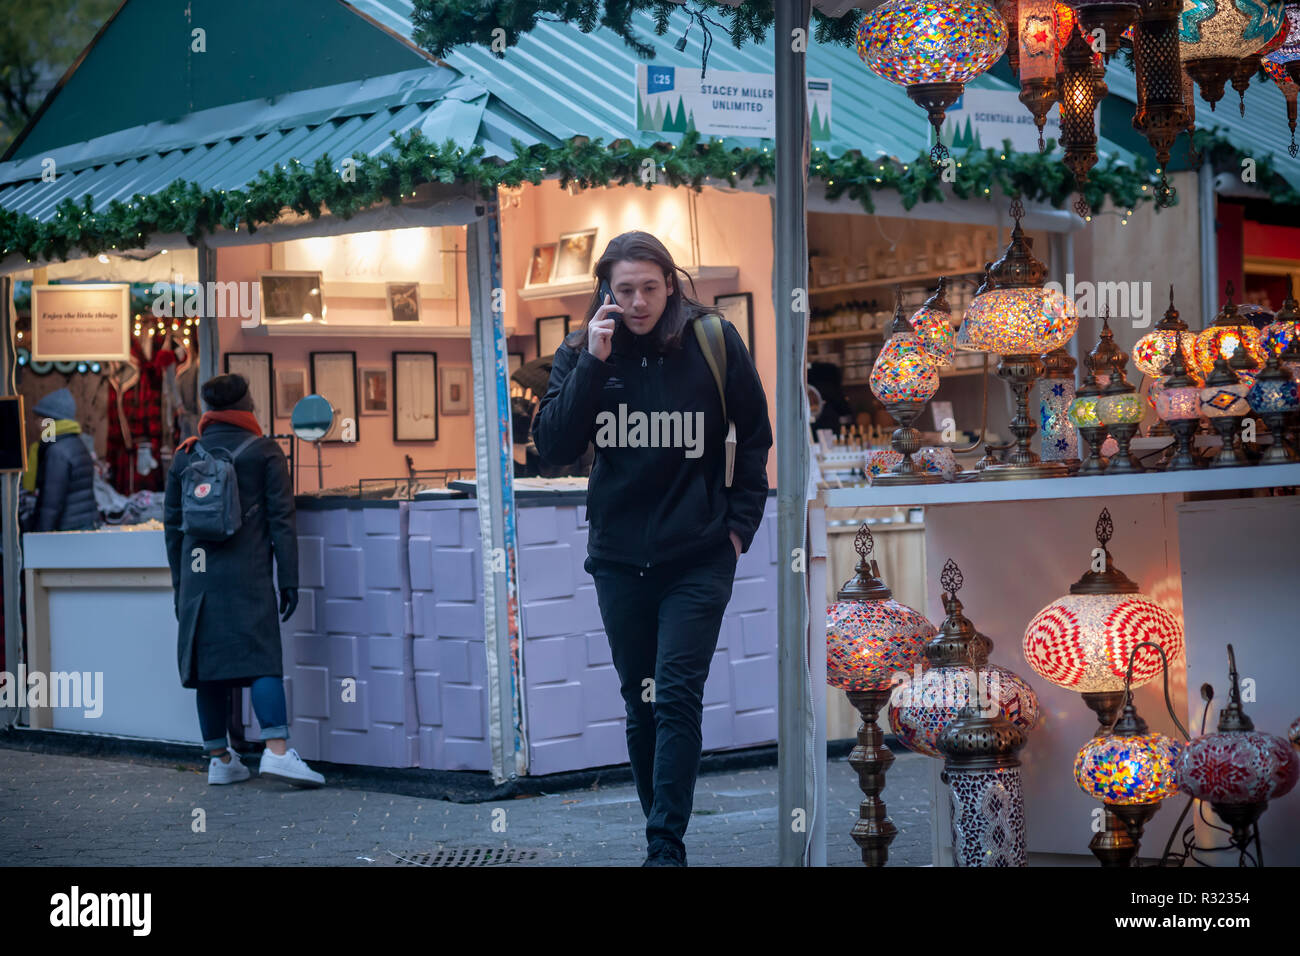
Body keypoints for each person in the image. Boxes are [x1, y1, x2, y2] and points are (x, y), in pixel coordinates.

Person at [533, 231, 773, 867]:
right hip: (619, 561)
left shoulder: (713, 341)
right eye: (624, 289)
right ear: (606, 292)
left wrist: (738, 527)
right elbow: (553, 446)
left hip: (698, 556)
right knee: (640, 703)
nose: (637, 302)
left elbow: (755, 435)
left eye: (649, 287)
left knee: (674, 695)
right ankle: (660, 829)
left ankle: (664, 846)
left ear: (670, 283)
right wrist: (593, 362)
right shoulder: (584, 349)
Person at [163, 373, 323, 788]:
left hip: (198, 580)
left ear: (209, 410)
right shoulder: (264, 452)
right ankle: (277, 753)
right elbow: (281, 520)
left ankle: (220, 759)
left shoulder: (185, 455)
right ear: (248, 403)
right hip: (247, 576)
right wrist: (289, 578)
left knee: (208, 668)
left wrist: (182, 588)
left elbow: (173, 528)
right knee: (262, 660)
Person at [22, 387, 97, 531]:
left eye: (40, 419)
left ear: (50, 421)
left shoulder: (57, 451)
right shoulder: (76, 443)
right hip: (81, 525)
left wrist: (41, 536)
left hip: (67, 529)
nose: (37, 425)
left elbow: (51, 502)